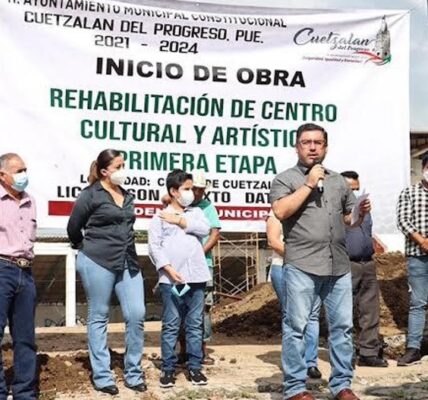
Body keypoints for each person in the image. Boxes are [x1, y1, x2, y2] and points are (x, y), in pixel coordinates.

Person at [269, 123, 371, 400]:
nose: (312, 147)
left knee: (342, 327)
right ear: (297, 146)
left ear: (326, 146)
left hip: (337, 265)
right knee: (296, 327)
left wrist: (359, 213)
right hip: (301, 264)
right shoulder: (285, 179)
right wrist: (309, 183)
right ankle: (296, 388)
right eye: (306, 142)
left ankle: (341, 384)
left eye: (318, 142)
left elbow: (348, 220)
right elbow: (280, 210)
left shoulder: (338, 181)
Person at [67, 149, 146, 395]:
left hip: (128, 261)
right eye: (119, 166)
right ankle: (102, 376)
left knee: (137, 314)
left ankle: (133, 373)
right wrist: (86, 248)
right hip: (97, 260)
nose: (124, 170)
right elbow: (73, 228)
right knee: (99, 316)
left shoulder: (128, 195)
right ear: (104, 171)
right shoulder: (90, 195)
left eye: (125, 165)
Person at [149, 169, 211, 388]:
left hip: (196, 278)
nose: (190, 193)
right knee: (171, 324)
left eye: (191, 189)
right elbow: (154, 247)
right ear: (174, 191)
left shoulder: (195, 213)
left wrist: (180, 221)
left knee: (195, 324)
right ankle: (168, 369)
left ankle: (195, 368)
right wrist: (167, 269)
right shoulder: (159, 217)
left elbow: (205, 229)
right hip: (171, 280)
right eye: (186, 189)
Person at [266, 210, 322, 379]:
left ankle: (311, 363)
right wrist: (300, 256)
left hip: (313, 268)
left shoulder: (313, 212)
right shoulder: (277, 212)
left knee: (312, 316)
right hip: (283, 267)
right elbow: (273, 241)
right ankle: (294, 363)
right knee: (292, 317)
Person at [341, 171, 388, 368]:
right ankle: (345, 353)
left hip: (367, 263)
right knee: (344, 310)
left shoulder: (365, 212)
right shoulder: (337, 213)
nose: (355, 194)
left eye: (357, 189)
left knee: (370, 309)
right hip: (346, 264)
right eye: (350, 190)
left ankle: (368, 352)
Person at [0, 153, 37, 400]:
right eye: (18, 170)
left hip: (26, 272)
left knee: (25, 338)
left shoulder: (30, 201)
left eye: (25, 169)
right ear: (3, 175)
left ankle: (24, 393)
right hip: (1, 269)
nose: (24, 175)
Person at [396, 154, 428, 366]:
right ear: (424, 168)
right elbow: (403, 221)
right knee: (418, 303)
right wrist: (423, 242)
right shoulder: (410, 192)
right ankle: (413, 348)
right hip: (418, 256)